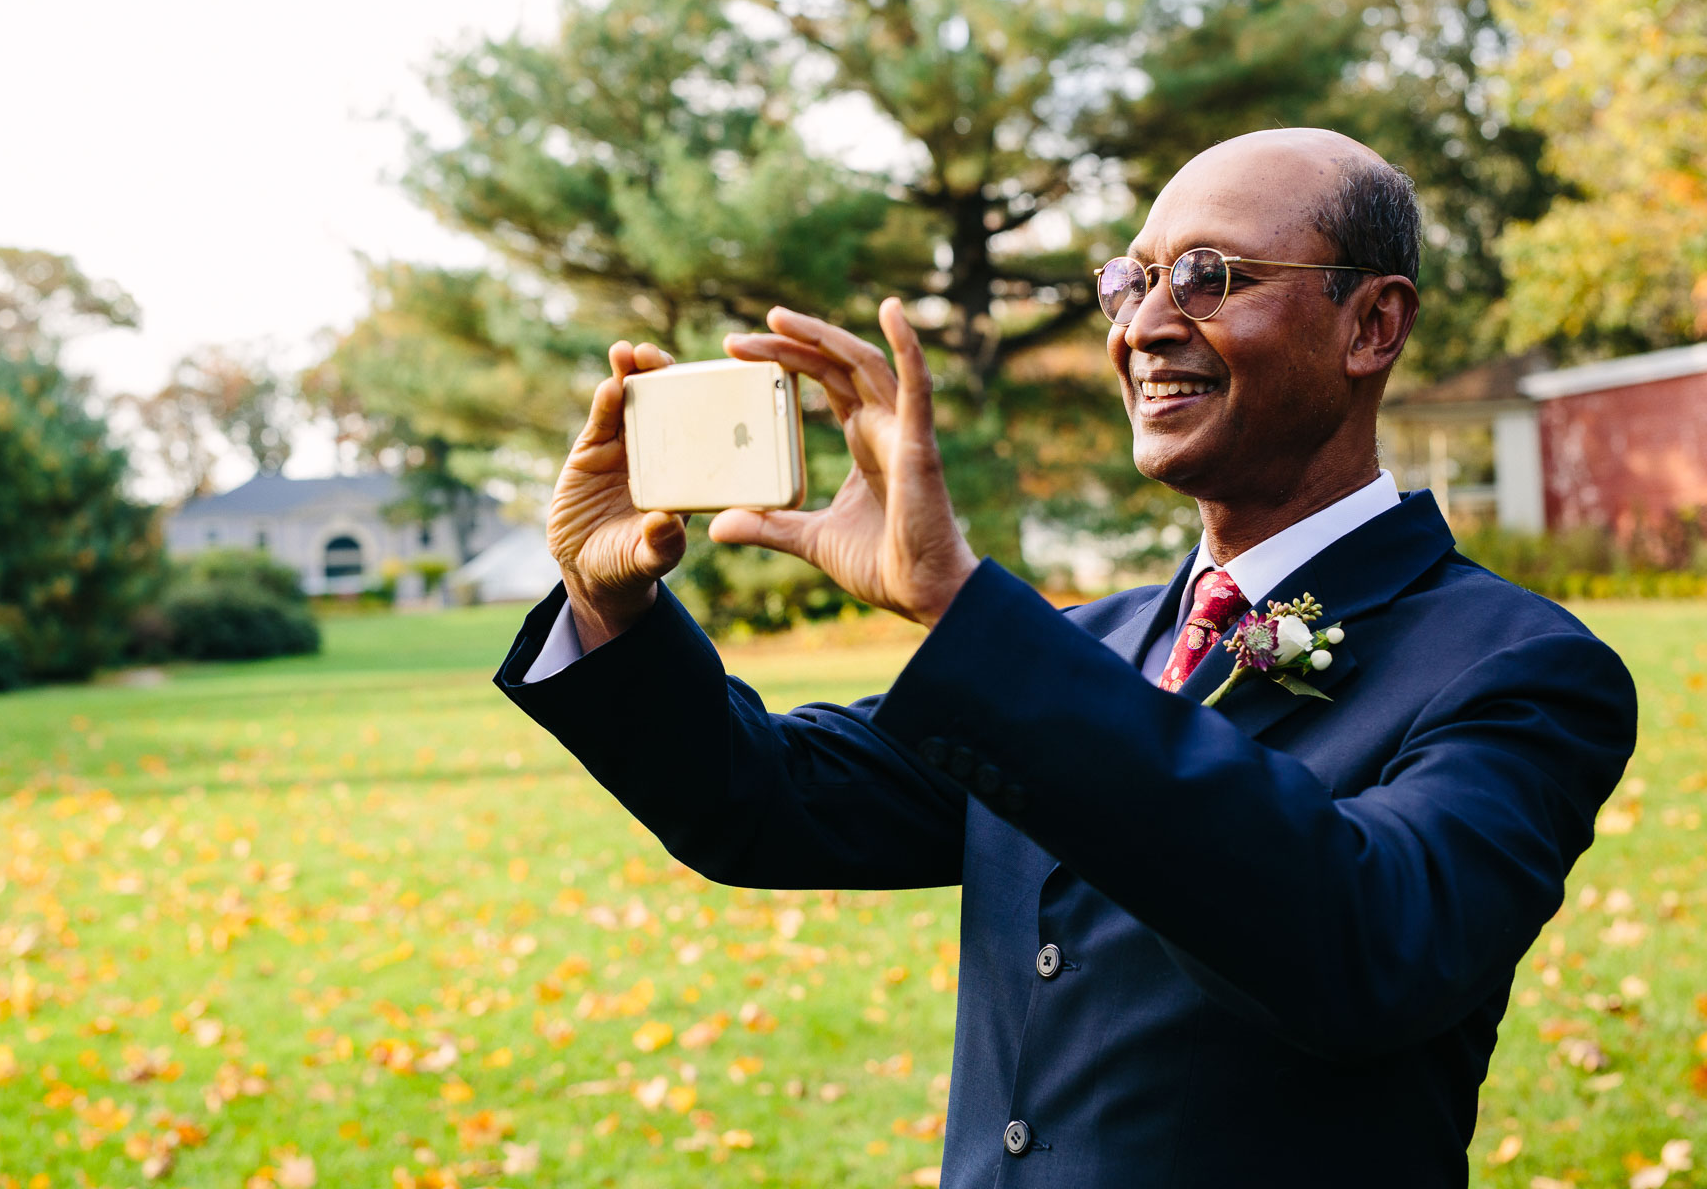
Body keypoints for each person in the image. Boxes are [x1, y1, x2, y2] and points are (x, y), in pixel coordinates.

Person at [493, 128, 1637, 1186]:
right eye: (1131, 280)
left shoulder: (1523, 669)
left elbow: (1371, 949)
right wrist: (613, 605)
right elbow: (767, 804)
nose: (1141, 327)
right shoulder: (1081, 649)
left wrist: (961, 607)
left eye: (1209, 277)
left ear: (1371, 326)